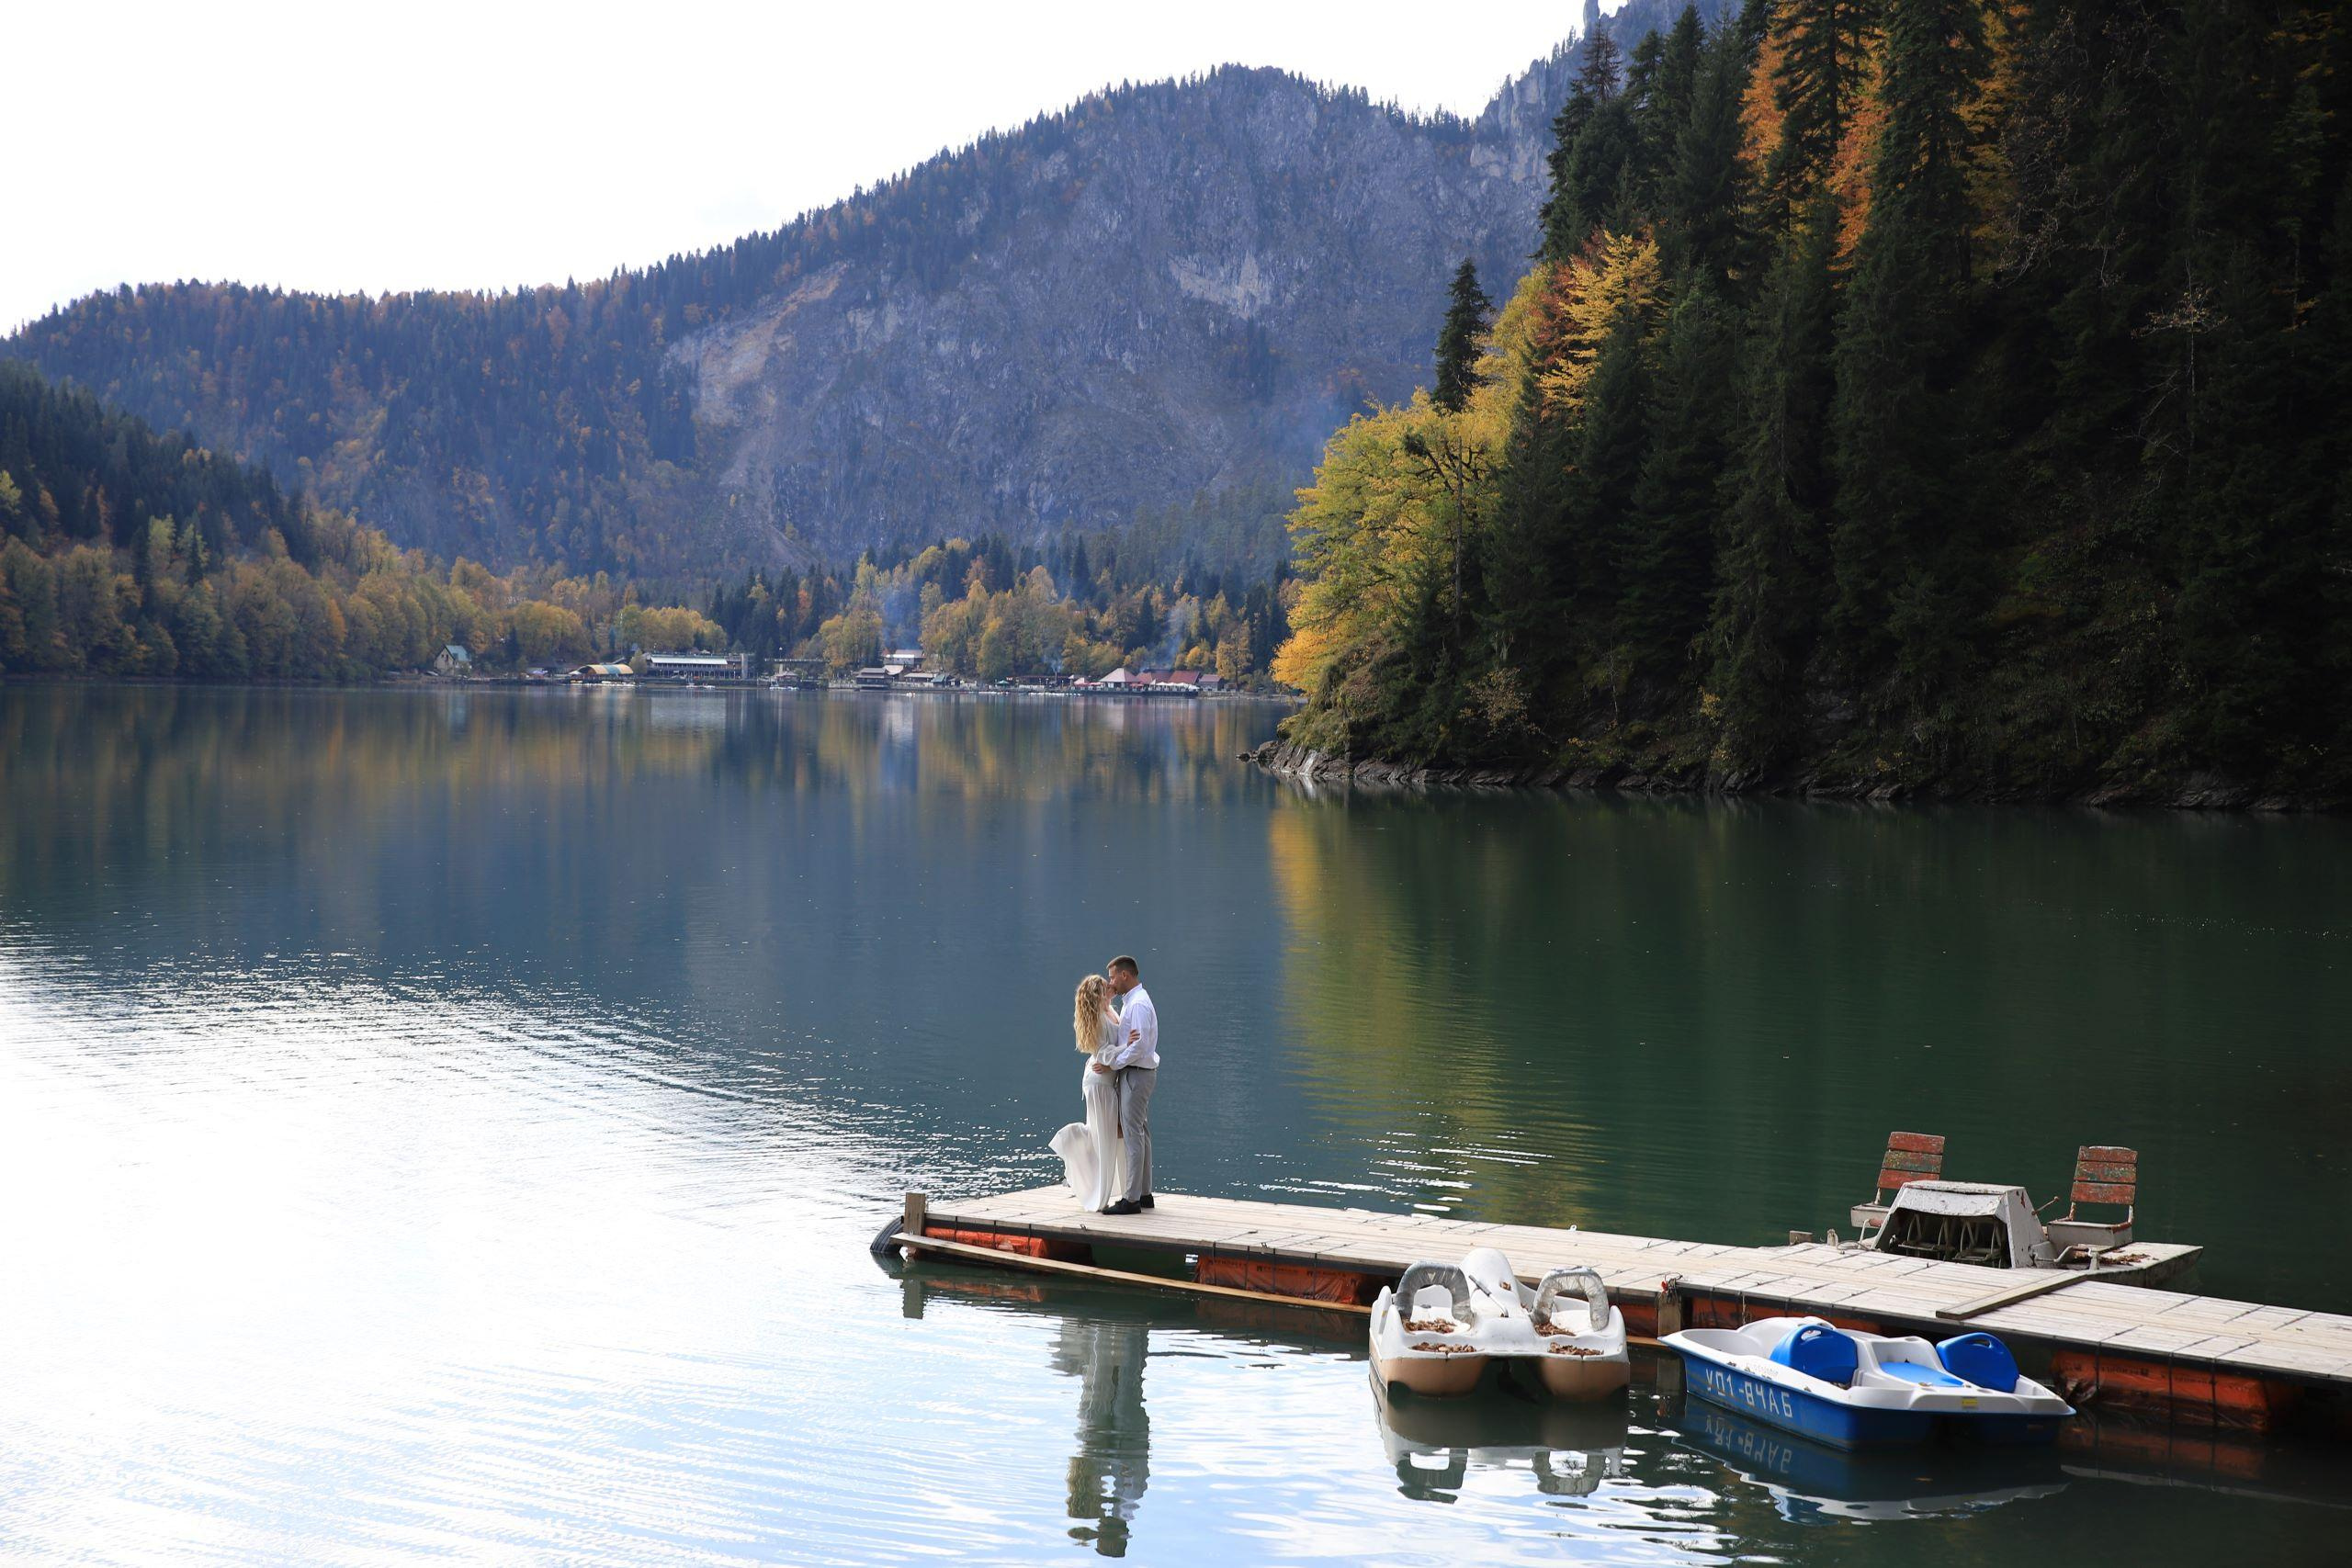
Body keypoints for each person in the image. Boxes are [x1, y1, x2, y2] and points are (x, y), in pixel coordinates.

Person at [1051, 974, 1125, 1211]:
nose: (1111, 986)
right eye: (1106, 986)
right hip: (1099, 1082)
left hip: (1106, 1080)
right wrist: (1130, 1046)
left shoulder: (1111, 1011)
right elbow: (1103, 1053)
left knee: (1109, 1136)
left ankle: (1120, 1192)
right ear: (1099, 994)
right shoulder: (1100, 1020)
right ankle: (1100, 1199)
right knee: (1105, 1139)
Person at [1094, 954, 1157, 1215]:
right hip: (1137, 1072)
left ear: (1124, 975)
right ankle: (1144, 1194)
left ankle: (1131, 1199)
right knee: (1141, 1132)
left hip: (1136, 1073)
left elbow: (1140, 1046)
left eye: (1112, 977)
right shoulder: (1133, 1002)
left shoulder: (1138, 1005)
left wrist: (1114, 1065)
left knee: (1133, 1135)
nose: (1111, 983)